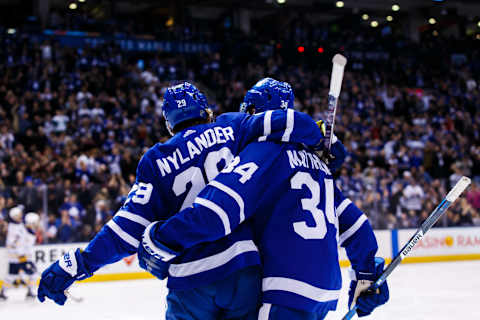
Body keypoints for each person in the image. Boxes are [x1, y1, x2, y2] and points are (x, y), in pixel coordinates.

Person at [37, 81, 327, 318]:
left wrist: (80, 263)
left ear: (169, 124)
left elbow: (125, 230)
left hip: (191, 278)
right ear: (207, 111)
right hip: (243, 271)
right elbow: (287, 122)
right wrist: (322, 140)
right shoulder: (234, 127)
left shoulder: (155, 159)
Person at [138, 79, 389, 319]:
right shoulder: (318, 166)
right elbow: (357, 227)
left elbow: (217, 211)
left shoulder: (263, 152)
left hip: (283, 288)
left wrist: (161, 239)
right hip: (325, 291)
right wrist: (366, 274)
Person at [0, 208, 39, 300]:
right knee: (33, 274)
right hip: (20, 257)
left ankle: (3, 292)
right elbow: (14, 244)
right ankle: (30, 291)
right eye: (19, 214)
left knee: (12, 276)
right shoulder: (15, 229)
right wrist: (21, 255)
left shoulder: (21, 227)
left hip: (20, 257)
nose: (21, 216)